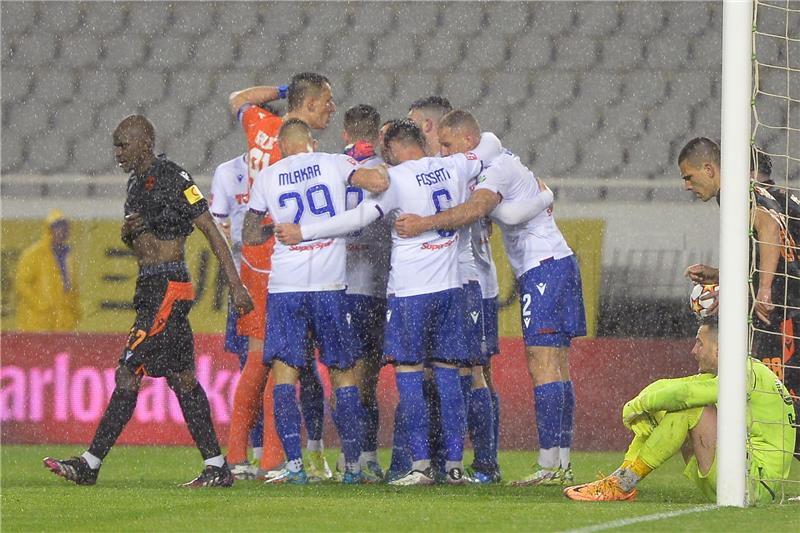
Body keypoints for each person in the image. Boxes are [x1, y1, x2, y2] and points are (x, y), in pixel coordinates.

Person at [277, 120, 491, 485]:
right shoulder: (456, 165)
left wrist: (303, 232)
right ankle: (455, 466)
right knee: (449, 376)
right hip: (451, 289)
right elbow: (489, 144)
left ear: (390, 151)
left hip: (410, 294)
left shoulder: (397, 180)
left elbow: (356, 218)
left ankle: (420, 466)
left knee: (408, 375)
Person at [43, 115, 254, 487]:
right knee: (183, 379)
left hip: (168, 286)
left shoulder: (172, 177)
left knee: (128, 371)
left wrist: (235, 284)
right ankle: (217, 467)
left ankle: (90, 464)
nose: (118, 153)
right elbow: (143, 242)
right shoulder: (134, 185)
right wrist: (130, 235)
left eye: (123, 145)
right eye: (115, 146)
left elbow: (209, 229)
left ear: (144, 142)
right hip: (150, 286)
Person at [394, 110, 582, 487]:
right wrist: (544, 194)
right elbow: (508, 211)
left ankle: (548, 466)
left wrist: (422, 223)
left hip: (543, 266)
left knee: (543, 362)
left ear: (467, 141)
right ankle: (559, 463)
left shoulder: (494, 170)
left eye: (448, 144)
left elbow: (476, 210)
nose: (444, 152)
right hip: (557, 262)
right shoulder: (497, 157)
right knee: (556, 364)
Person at [244, 118, 388, 484]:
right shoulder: (332, 163)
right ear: (309, 141)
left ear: (281, 147)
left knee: (284, 373)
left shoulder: (268, 177)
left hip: (285, 286)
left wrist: (276, 227)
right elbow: (378, 182)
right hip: (330, 284)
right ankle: (353, 466)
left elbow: (249, 233)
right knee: (342, 371)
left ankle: (294, 467)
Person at [226, 73, 336, 480]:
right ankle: (274, 458)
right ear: (308, 106)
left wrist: (288, 90)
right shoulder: (300, 151)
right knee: (284, 359)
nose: (332, 108)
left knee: (258, 358)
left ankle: (236, 455)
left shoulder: (258, 125)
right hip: (285, 257)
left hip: (254, 255)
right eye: (326, 100)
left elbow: (237, 95)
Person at [564, 320, 796, 503]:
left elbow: (685, 396)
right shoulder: (735, 371)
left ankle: (622, 484)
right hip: (738, 472)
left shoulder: (746, 372)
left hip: (755, 483)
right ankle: (619, 480)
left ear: (719, 349)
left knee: (688, 408)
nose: (694, 350)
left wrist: (639, 406)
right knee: (673, 404)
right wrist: (638, 405)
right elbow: (669, 386)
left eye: (699, 343)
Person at [335, 104, 392, 482]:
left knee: (344, 378)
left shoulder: (328, 166)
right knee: (367, 380)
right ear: (377, 135)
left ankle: (346, 458)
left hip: (336, 284)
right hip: (374, 287)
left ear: (344, 133)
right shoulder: (389, 171)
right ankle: (365, 456)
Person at [209, 152, 267, 468]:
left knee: (293, 371)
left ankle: (290, 455)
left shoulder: (285, 166)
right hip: (247, 280)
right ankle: (253, 453)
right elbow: (215, 226)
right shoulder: (228, 172)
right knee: (251, 366)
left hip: (284, 282)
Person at [14, 209, 81, 331]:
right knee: (37, 350)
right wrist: (40, 304)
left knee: (61, 349)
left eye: (64, 228)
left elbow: (72, 287)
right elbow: (22, 284)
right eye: (57, 228)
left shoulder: (68, 256)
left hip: (62, 323)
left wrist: (74, 310)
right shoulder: (34, 254)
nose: (61, 232)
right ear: (49, 230)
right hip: (37, 323)